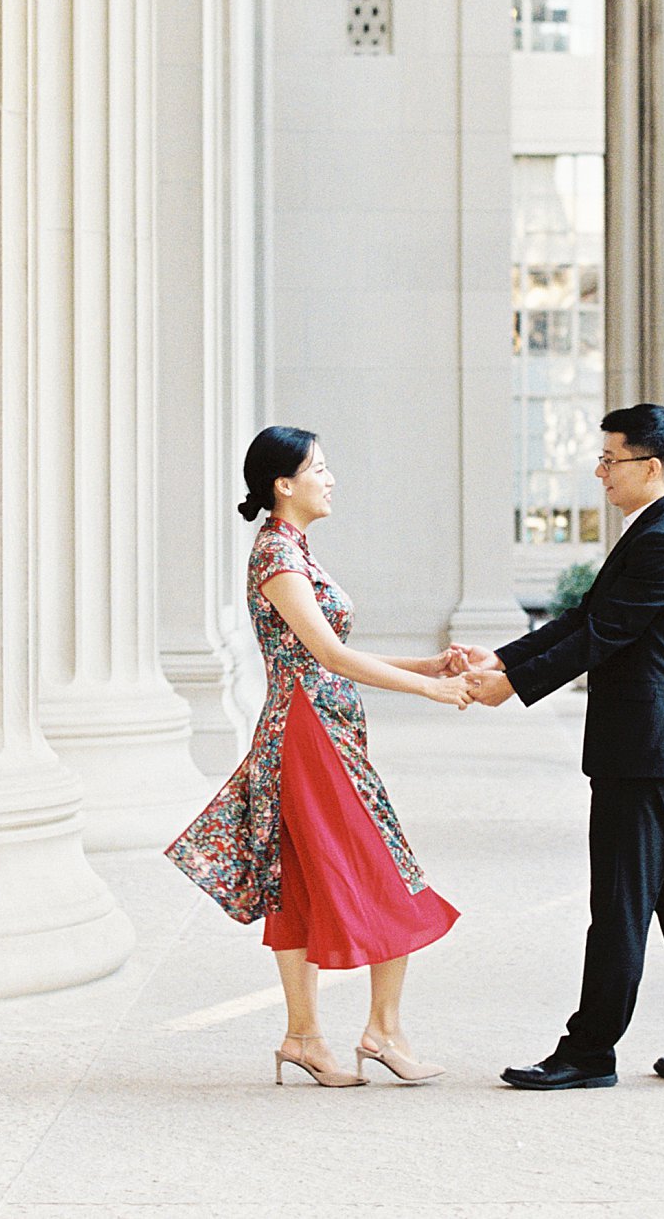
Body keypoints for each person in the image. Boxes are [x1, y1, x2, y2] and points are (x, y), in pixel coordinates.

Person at [458, 403, 664, 1090]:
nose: (600, 470)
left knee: (620, 906)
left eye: (610, 459)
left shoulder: (662, 541)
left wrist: (511, 686)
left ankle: (590, 1050)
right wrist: (501, 657)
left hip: (644, 755)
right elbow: (585, 619)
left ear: (651, 466)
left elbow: (600, 638)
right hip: (659, 753)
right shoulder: (651, 531)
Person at [167, 426, 471, 1087]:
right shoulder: (279, 557)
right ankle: (380, 1030)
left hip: (318, 726)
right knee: (390, 869)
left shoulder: (292, 550)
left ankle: (305, 1035)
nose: (331, 479)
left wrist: (425, 661)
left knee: (300, 883)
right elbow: (328, 656)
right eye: (320, 468)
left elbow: (327, 649)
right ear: (285, 484)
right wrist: (430, 686)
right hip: (309, 735)